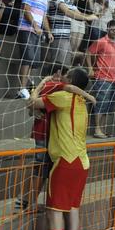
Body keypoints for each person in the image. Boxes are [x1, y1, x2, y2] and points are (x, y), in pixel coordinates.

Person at [28, 68, 92, 230]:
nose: (61, 77)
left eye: (65, 75)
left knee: (54, 212)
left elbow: (32, 102)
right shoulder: (81, 102)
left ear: (70, 80)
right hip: (82, 162)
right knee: (72, 210)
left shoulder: (63, 97)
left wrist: (41, 84)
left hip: (66, 162)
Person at [16, 67, 96, 211]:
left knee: (44, 169)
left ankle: (29, 200)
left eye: (65, 74)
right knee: (40, 168)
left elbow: (32, 105)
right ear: (55, 73)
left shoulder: (66, 91)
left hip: (53, 136)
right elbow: (30, 104)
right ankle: (28, 201)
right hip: (45, 133)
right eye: (61, 73)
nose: (61, 76)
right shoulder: (55, 87)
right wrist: (33, 108)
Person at [47, 0, 98, 71]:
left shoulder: (67, 0)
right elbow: (67, 12)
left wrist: (91, 15)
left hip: (66, 36)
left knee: (65, 67)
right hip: (59, 36)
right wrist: (87, 18)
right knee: (58, 67)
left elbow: (78, 13)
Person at [86, 20, 115, 138]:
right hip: (103, 78)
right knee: (101, 104)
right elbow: (88, 52)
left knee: (108, 106)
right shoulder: (101, 41)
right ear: (108, 29)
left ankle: (101, 129)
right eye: (112, 29)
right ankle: (97, 129)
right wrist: (90, 68)